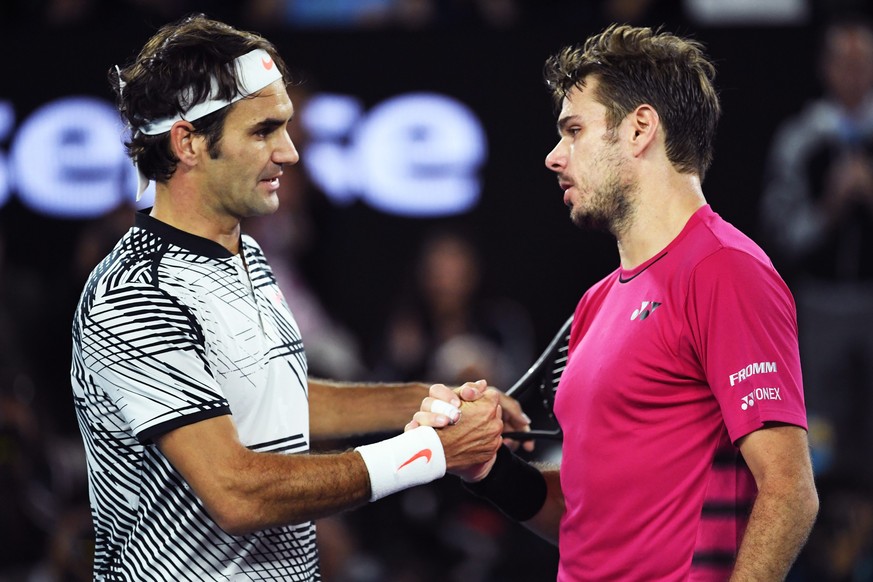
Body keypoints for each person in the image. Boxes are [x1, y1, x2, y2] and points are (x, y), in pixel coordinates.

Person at [69, 14, 527, 580]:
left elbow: (278, 401)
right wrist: (429, 455)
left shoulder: (248, 258)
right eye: (263, 131)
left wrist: (433, 399)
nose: (289, 153)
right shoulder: (135, 292)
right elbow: (236, 493)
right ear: (187, 142)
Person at [414, 24, 819, 580]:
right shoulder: (594, 304)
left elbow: (790, 491)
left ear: (639, 129)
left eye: (573, 130)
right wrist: (490, 470)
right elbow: (588, 520)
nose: (554, 157)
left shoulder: (726, 271)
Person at [759, 17, 873, 481]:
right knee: (818, 428)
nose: (853, 73)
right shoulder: (798, 139)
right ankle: (823, 540)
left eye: (862, 62)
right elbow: (780, 230)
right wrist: (829, 207)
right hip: (821, 305)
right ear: (826, 68)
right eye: (843, 63)